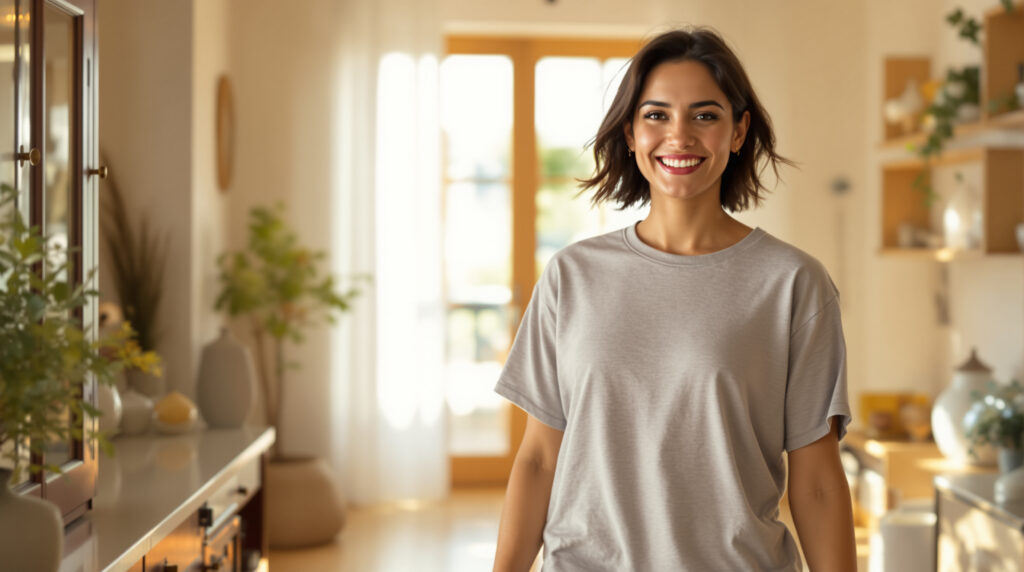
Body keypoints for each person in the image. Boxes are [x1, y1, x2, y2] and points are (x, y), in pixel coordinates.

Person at [492, 27, 856, 572]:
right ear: (632, 133)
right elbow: (539, 461)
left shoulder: (792, 283)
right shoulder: (573, 276)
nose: (679, 136)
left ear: (738, 131)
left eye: (705, 115)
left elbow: (819, 482)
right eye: (656, 115)